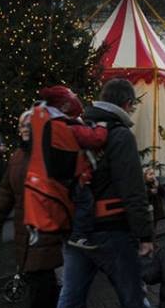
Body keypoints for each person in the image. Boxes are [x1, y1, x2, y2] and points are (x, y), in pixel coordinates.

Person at [50, 78, 165, 308]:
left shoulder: (76, 129)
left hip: (77, 233)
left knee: (69, 305)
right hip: (113, 231)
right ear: (127, 104)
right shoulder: (119, 135)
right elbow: (131, 189)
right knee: (133, 299)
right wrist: (145, 235)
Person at [0, 110, 63, 308]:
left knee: (40, 280)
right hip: (24, 231)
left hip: (45, 229)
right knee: (42, 281)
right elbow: (5, 193)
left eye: (29, 124)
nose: (24, 128)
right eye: (21, 125)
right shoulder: (17, 157)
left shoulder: (51, 155)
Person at [33, 86, 108, 251]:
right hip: (77, 178)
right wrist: (102, 126)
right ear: (65, 105)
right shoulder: (70, 125)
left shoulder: (47, 123)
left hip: (57, 179)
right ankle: (79, 235)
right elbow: (95, 139)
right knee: (86, 203)